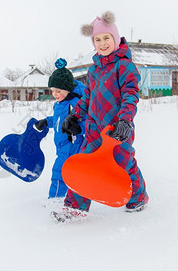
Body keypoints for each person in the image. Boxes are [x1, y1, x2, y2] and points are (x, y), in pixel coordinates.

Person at [57, 11, 149, 221]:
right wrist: (76, 116)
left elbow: (130, 95)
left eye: (106, 38)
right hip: (93, 130)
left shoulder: (124, 66)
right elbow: (87, 98)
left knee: (124, 163)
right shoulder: (93, 71)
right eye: (97, 40)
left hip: (117, 130)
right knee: (85, 164)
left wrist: (125, 120)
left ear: (115, 39)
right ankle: (74, 207)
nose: (103, 43)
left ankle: (138, 197)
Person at [35, 58, 86, 200]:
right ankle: (71, 200)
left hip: (72, 145)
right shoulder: (60, 104)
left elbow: (87, 122)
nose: (55, 94)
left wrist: (78, 128)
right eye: (52, 91)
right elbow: (59, 121)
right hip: (63, 146)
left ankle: (55, 200)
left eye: (58, 91)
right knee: (70, 174)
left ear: (68, 89)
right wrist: (46, 121)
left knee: (59, 172)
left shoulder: (75, 103)